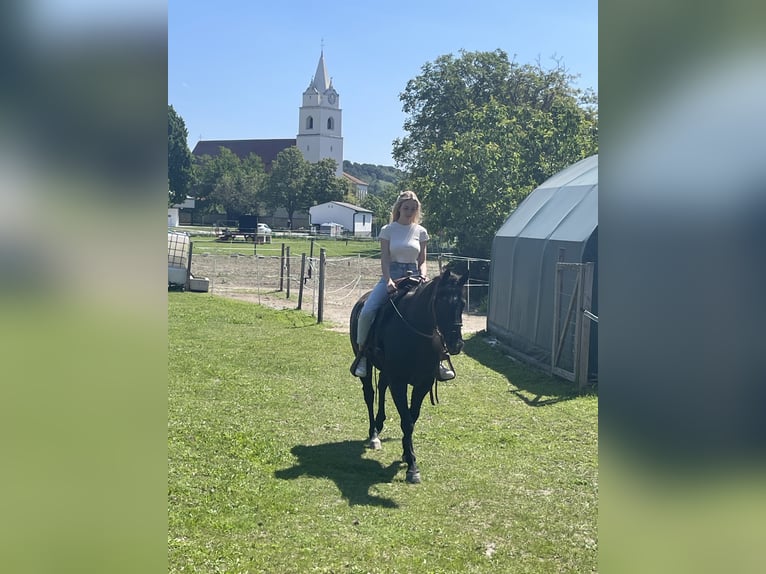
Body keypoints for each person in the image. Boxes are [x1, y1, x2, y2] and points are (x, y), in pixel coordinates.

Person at [351, 190, 455, 381]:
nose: (409, 211)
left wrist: (423, 275)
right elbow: (384, 258)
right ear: (399, 208)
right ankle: (363, 355)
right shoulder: (388, 230)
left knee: (434, 311)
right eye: (406, 207)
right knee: (367, 311)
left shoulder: (421, 231)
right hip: (392, 274)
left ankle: (438, 358)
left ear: (417, 210)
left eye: (413, 208)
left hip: (415, 276)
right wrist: (388, 280)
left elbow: (423, 259)